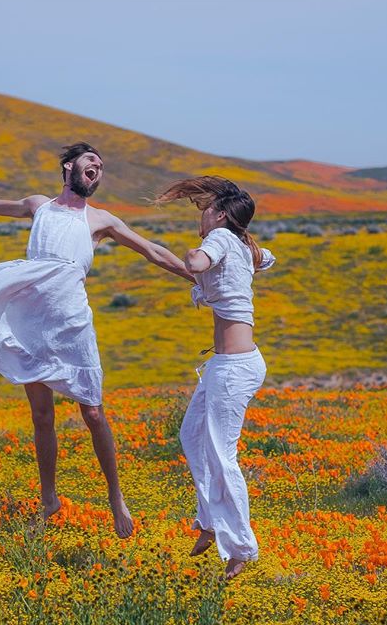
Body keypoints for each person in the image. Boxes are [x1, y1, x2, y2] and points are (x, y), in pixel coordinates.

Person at [0, 142, 194, 538]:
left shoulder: (101, 220)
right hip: (30, 320)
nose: (98, 168)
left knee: (93, 413)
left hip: (72, 323)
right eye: (91, 162)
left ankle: (116, 496)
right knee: (42, 414)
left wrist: (195, 277)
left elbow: (152, 251)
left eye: (101, 165)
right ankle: (49, 498)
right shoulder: (39, 206)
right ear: (70, 167)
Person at [155, 176, 275, 579]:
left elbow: (194, 264)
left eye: (204, 210)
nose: (200, 216)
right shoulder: (241, 244)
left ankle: (241, 549)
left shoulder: (222, 238)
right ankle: (209, 521)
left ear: (220, 215)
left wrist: (198, 253)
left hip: (234, 369)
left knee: (224, 456)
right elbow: (264, 258)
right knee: (191, 436)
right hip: (229, 365)